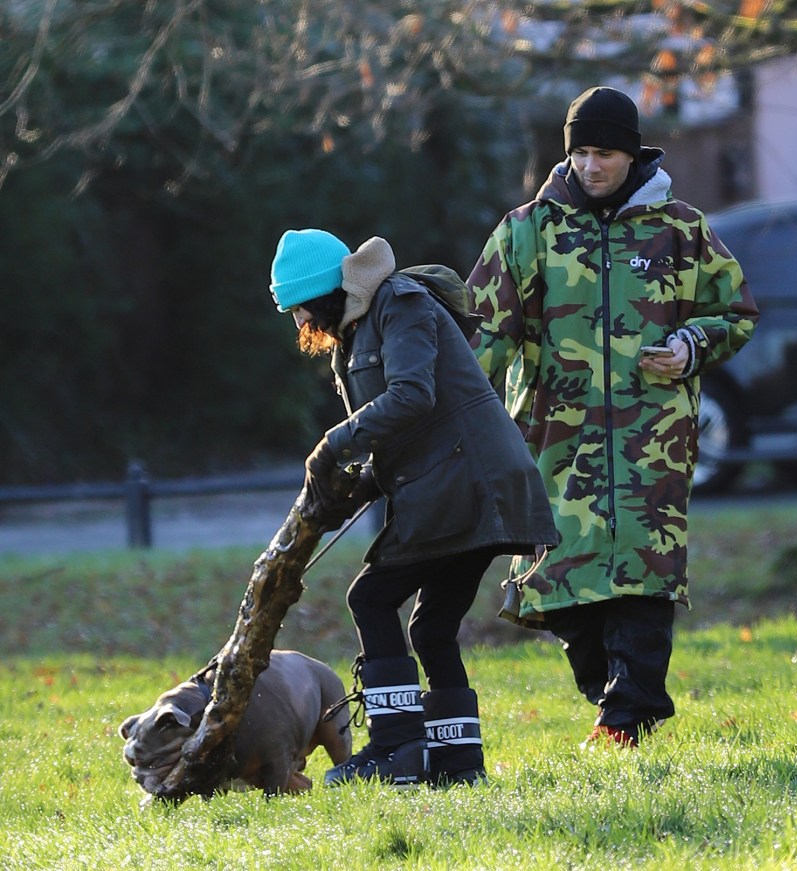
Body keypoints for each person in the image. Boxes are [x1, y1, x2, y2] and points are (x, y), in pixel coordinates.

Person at [467, 86, 760, 748]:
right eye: (581, 153)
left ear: (632, 154)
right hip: (554, 445)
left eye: (605, 153)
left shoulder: (681, 228)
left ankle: (628, 712)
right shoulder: (526, 231)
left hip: (652, 440)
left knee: (643, 579)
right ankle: (618, 700)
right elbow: (483, 338)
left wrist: (691, 346)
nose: (592, 166)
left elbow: (736, 313)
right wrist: (451, 417)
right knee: (566, 592)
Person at [268, 228, 557, 786]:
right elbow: (408, 431)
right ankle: (457, 765)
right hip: (462, 484)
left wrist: (332, 446)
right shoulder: (358, 331)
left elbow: (412, 396)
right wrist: (359, 484)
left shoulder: (400, 304)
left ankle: (396, 746)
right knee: (430, 631)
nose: (301, 323)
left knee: (371, 598)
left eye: (300, 307)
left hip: (471, 486)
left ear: (324, 292)